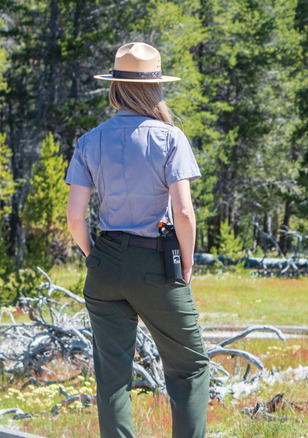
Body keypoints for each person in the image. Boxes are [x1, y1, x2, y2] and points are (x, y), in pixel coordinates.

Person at [65, 42, 209, 438]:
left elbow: (75, 217)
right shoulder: (170, 138)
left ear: (115, 86)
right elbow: (183, 213)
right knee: (189, 367)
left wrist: (95, 257)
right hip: (157, 265)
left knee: (112, 379)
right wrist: (187, 265)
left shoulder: (90, 140)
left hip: (105, 264)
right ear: (154, 87)